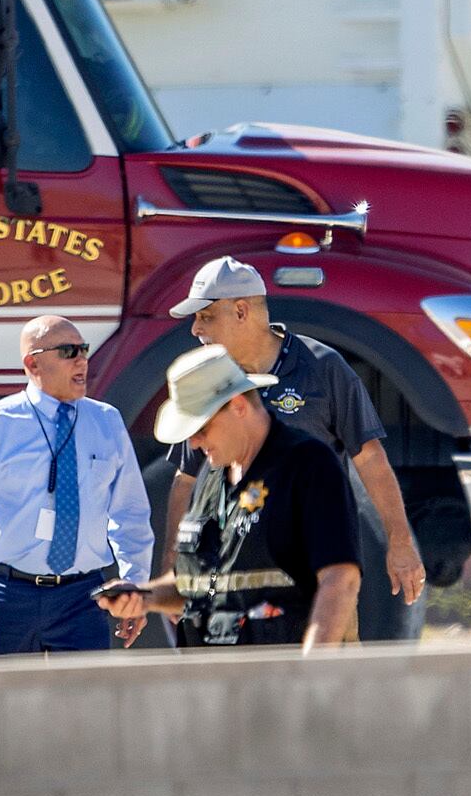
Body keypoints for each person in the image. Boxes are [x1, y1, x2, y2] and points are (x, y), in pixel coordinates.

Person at [159, 256, 425, 639]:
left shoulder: (322, 367)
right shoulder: (209, 379)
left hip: (318, 580)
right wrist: (174, 565)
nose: (196, 330)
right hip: (235, 589)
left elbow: (369, 458)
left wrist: (399, 541)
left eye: (205, 317)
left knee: (325, 688)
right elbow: (186, 479)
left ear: (240, 311)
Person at [97, 345, 361, 651]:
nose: (194, 442)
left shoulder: (308, 465)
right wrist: (144, 597)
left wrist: (310, 674)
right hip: (212, 680)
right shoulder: (211, 477)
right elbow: (197, 584)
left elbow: (340, 580)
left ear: (237, 406)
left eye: (200, 428)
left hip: (282, 676)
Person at [0, 315, 154, 654]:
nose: (82, 359)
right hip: (7, 595)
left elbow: (131, 513)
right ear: (32, 363)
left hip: (82, 598)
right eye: (68, 351)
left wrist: (135, 585)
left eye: (83, 349)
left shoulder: (106, 422)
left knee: (87, 705)